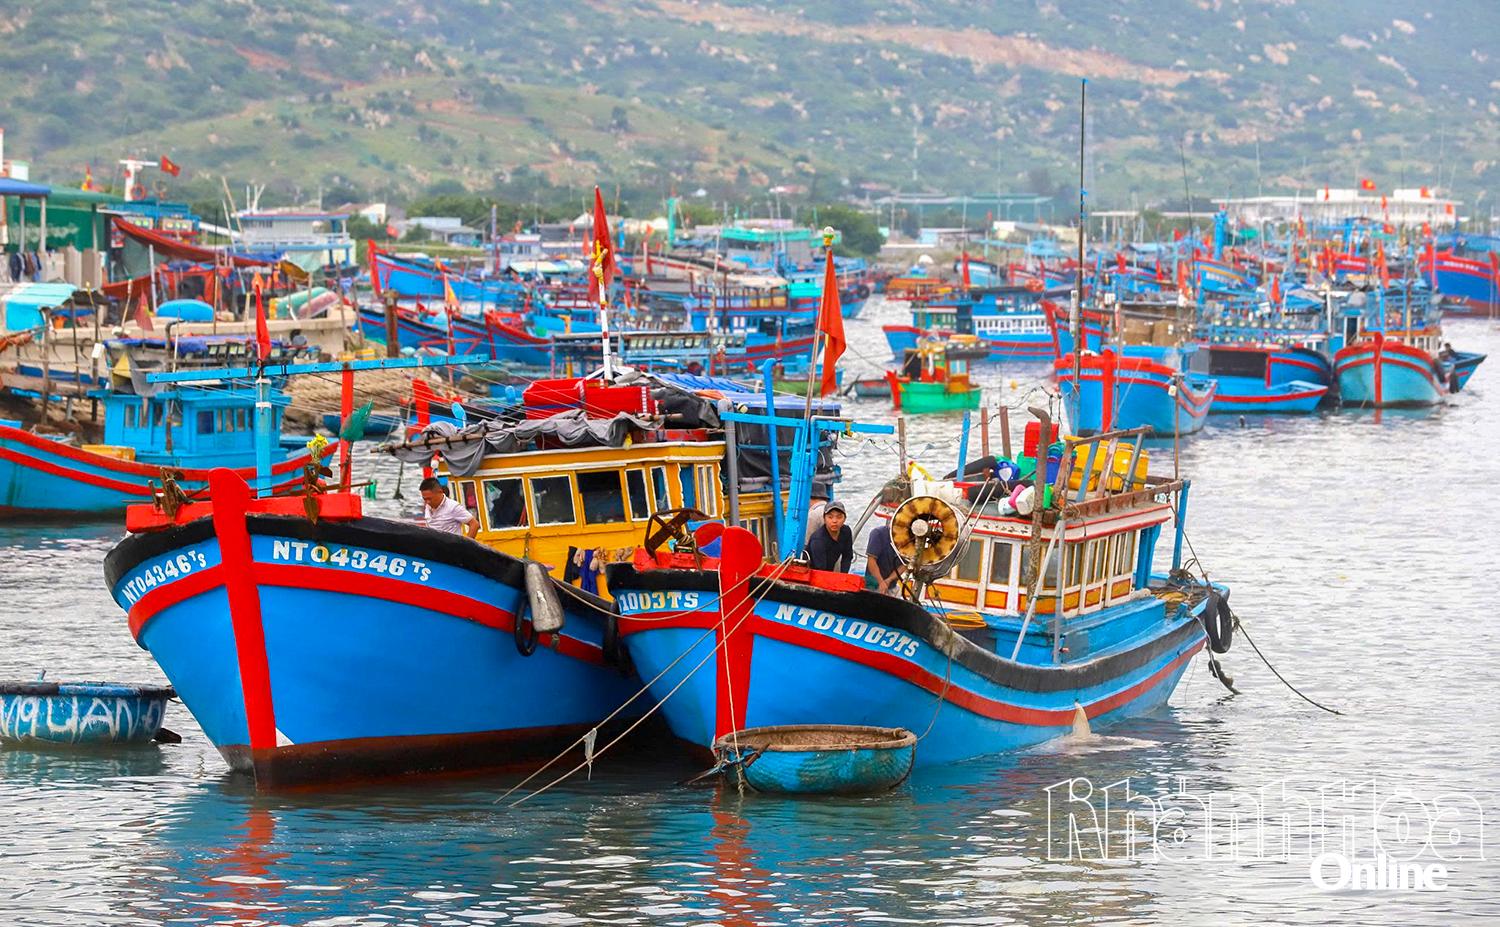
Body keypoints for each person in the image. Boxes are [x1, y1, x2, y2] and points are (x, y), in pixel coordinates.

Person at [805, 500, 853, 572]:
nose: (834, 521)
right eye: (830, 517)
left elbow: (847, 556)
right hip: (814, 572)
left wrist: (844, 576)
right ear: (824, 519)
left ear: (844, 519)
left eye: (839, 517)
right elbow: (820, 569)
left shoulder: (846, 531)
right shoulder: (818, 539)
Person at [864, 522, 903, 594]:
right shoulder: (878, 533)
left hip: (891, 585)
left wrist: (889, 580)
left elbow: (904, 565)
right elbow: (871, 560)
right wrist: (881, 582)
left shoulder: (909, 539)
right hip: (871, 585)